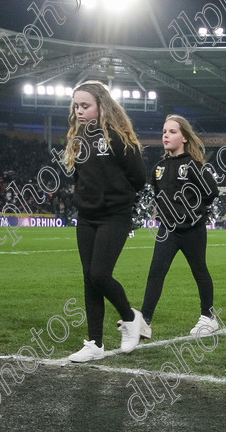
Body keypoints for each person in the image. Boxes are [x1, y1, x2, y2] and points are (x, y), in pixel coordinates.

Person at [65, 81, 146, 363]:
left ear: (102, 105)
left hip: (114, 216)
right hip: (86, 218)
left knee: (100, 274)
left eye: (85, 105)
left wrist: (114, 196)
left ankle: (130, 317)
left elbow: (139, 177)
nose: (79, 111)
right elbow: (80, 178)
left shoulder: (117, 136)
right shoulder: (77, 139)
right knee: (90, 281)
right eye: (76, 106)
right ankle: (95, 344)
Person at [140, 115, 220, 339]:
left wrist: (193, 213)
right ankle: (145, 321)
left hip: (192, 229)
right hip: (167, 230)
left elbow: (211, 191)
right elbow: (157, 195)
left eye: (172, 132)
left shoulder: (194, 165)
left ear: (184, 137)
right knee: (156, 272)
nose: (166, 135)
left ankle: (208, 317)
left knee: (200, 271)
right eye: (164, 131)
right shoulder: (158, 168)